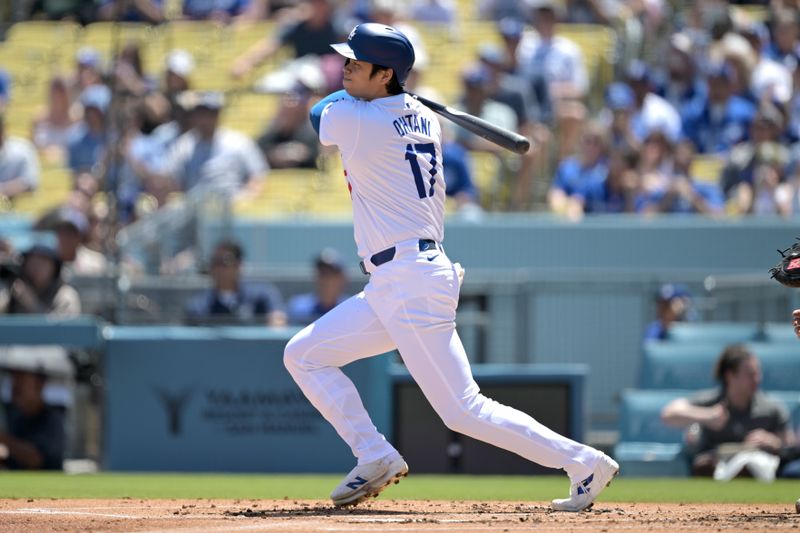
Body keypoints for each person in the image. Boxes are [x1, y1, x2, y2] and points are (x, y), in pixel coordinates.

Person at [285, 22, 618, 510]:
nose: (344, 68)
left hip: (408, 280)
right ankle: (373, 453)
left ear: (385, 74)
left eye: (356, 62)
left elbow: (317, 113)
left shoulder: (359, 119)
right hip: (401, 278)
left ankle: (582, 462)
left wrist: (371, 99)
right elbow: (363, 104)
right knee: (305, 354)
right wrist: (386, 94)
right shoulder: (425, 117)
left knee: (464, 410)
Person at [661, 345, 795, 477]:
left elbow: (790, 445)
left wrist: (773, 442)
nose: (756, 379)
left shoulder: (771, 409)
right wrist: (707, 416)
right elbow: (669, 414)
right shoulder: (711, 402)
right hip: (716, 468)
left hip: (759, 473)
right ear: (730, 376)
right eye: (750, 374)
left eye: (757, 373)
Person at [185, 240, 286, 326]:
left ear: (239, 265)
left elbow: (278, 322)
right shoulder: (198, 305)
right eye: (215, 262)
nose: (219, 268)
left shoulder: (263, 294)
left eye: (225, 262)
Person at [0, 368, 67, 470]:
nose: (15, 385)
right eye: (14, 379)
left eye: (21, 379)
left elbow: (36, 459)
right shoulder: (17, 418)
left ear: (40, 384)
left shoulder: (52, 419)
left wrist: (4, 439)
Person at [0, 244, 81, 316]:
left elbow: (62, 330)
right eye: (33, 263)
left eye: (42, 264)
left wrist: (32, 303)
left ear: (54, 268)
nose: (36, 268)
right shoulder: (16, 290)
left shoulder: (65, 296)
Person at [287, 249, 350, 326]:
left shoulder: (351, 308)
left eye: (331, 274)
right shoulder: (298, 307)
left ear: (342, 278)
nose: (325, 280)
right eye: (322, 273)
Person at [0, 114, 40, 202]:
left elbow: (30, 182)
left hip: (19, 211)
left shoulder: (23, 149)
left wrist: (3, 190)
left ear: (4, 128)